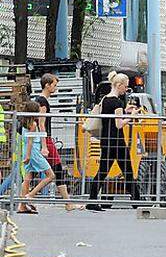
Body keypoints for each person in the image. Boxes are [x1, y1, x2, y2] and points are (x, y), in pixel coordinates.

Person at [86, 71, 141, 211]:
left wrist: (125, 111)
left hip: (106, 140)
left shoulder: (105, 99)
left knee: (102, 171)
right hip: (117, 141)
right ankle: (137, 201)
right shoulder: (116, 102)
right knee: (128, 171)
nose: (126, 89)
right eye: (125, 86)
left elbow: (111, 118)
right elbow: (118, 124)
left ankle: (92, 200)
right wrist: (132, 116)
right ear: (119, 85)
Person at [33, 74, 82, 210]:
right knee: (56, 171)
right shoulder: (42, 101)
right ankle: (67, 203)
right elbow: (41, 124)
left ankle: (25, 199)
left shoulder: (41, 100)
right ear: (47, 85)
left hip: (46, 139)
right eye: (54, 85)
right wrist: (44, 145)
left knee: (37, 172)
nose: (56, 87)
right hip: (46, 140)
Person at [17, 101, 54, 213]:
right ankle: (30, 195)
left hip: (28, 152)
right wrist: (28, 156)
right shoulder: (33, 124)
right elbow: (30, 142)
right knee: (50, 175)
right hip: (33, 153)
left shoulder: (25, 124)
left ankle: (22, 205)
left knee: (27, 179)